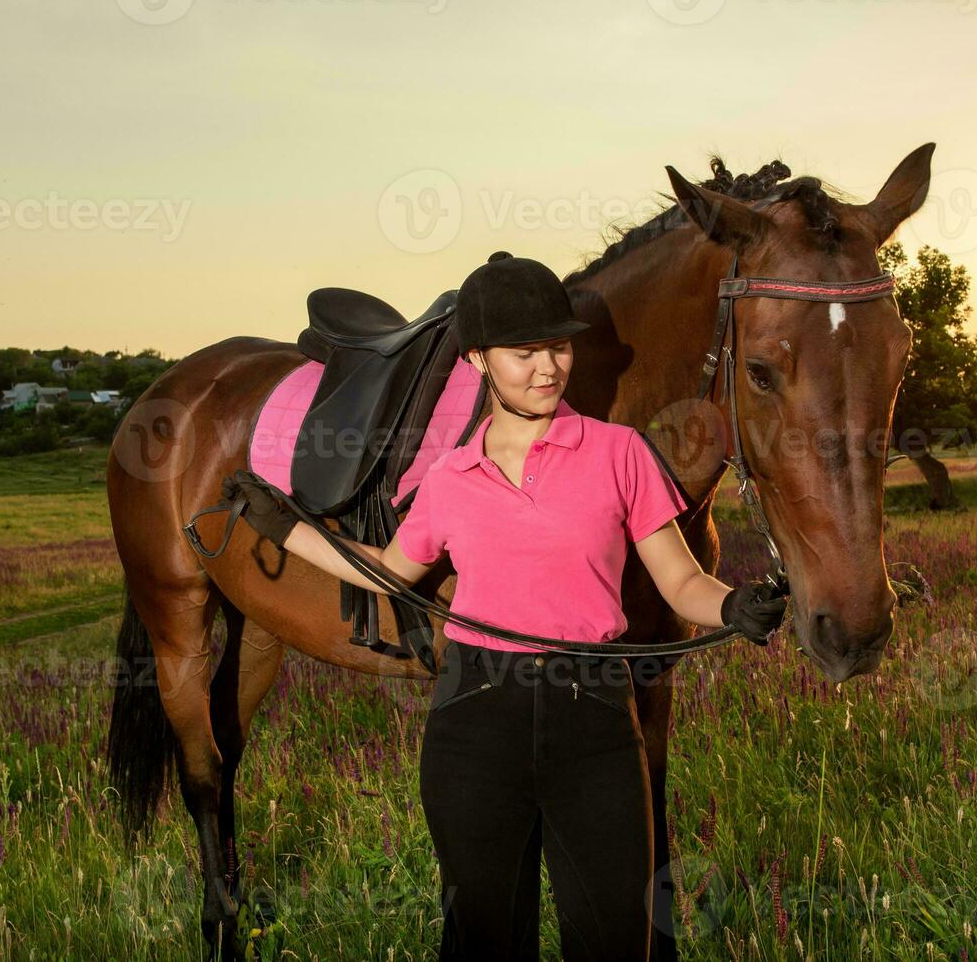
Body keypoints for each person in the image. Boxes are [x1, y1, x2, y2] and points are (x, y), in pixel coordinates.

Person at [231, 251, 788, 961]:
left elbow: (681, 582)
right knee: (485, 946)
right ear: (477, 361)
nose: (549, 367)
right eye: (524, 353)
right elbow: (388, 572)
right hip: (472, 726)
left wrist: (734, 605)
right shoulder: (448, 476)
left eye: (557, 346)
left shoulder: (620, 454)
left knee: (618, 942)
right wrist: (287, 528)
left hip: (593, 724)